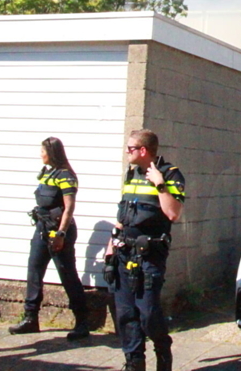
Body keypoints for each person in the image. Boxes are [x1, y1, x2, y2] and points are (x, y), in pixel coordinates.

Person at [105, 129, 185, 371]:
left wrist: (160, 185)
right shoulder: (131, 174)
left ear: (143, 150)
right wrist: (110, 246)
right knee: (125, 314)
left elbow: (173, 213)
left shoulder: (170, 174)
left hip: (150, 255)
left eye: (130, 148)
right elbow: (123, 217)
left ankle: (162, 349)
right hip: (124, 253)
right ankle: (134, 363)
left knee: (148, 313)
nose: (126, 152)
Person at [9, 136, 90, 340]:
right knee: (34, 270)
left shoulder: (66, 175)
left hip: (58, 231)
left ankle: (82, 322)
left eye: (43, 151)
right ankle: (30, 318)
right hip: (42, 229)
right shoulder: (47, 173)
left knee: (67, 274)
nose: (40, 154)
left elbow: (69, 207)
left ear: (52, 153)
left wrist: (61, 234)